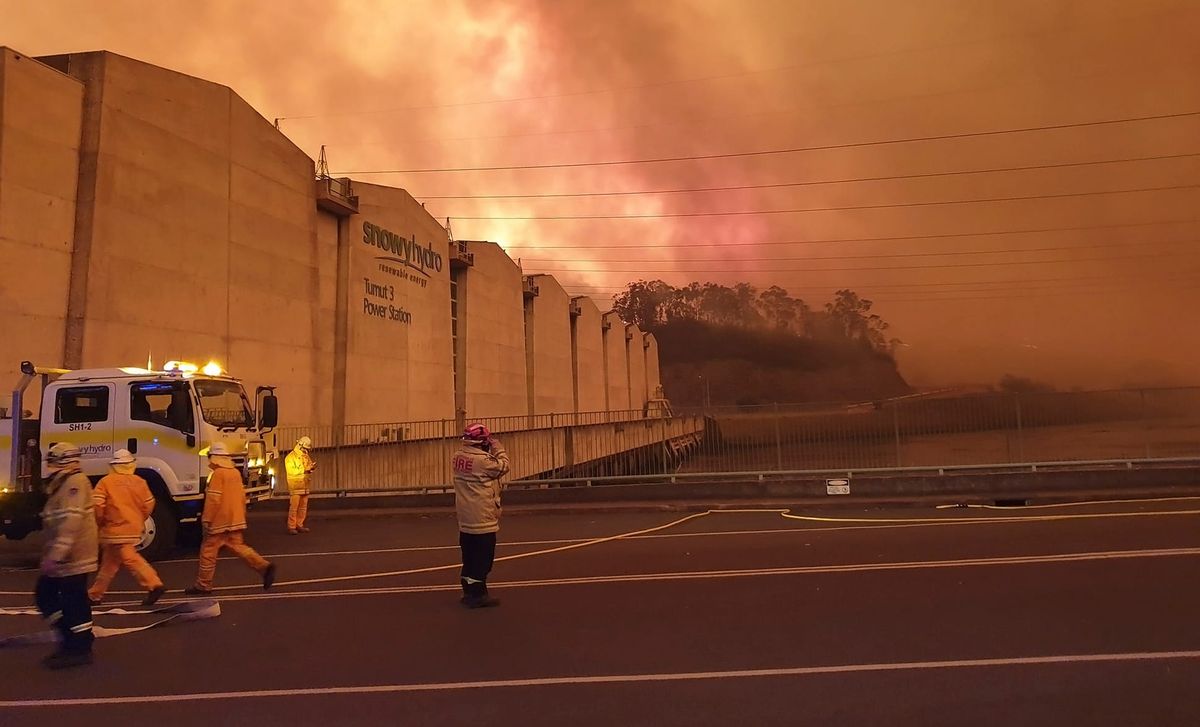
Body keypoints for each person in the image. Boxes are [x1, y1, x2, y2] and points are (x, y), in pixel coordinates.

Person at [34, 443, 99, 669]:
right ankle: (72, 639)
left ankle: (79, 647)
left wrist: (56, 554)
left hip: (74, 557)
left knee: (71, 601)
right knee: (51, 596)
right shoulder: (63, 484)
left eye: (53, 462)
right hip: (66, 556)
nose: (49, 468)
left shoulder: (75, 483)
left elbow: (71, 522)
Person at [184, 442, 276, 595]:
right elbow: (241, 497)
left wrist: (206, 519)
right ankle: (263, 566)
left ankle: (203, 585)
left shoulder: (218, 474)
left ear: (214, 457)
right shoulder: (234, 473)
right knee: (239, 547)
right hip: (235, 519)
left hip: (219, 521)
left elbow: (213, 499)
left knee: (208, 552)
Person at [87, 449, 165, 606]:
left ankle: (154, 584)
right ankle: (95, 594)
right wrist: (139, 518)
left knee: (129, 558)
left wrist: (99, 522)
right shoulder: (139, 481)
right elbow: (149, 503)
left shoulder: (106, 482)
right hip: (132, 527)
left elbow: (97, 506)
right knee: (109, 563)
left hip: (113, 528)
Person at [451, 423, 510, 609]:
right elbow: (504, 466)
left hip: (465, 517)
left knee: (469, 557)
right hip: (482, 518)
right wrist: (498, 448)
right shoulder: (483, 461)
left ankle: (468, 591)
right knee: (483, 559)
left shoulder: (457, 456)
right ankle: (478, 595)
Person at [284, 435, 315, 534]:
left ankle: (299, 524)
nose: (306, 450)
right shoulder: (290, 457)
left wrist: (311, 467)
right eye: (305, 448)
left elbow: (308, 465)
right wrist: (305, 469)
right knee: (294, 508)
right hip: (295, 486)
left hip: (305, 486)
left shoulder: (305, 456)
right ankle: (291, 526)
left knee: (303, 508)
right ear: (300, 445)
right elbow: (292, 471)